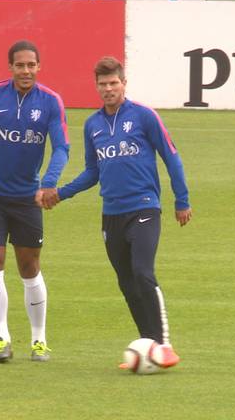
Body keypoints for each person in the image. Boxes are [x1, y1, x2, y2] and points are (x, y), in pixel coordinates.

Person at [41, 56, 191, 369]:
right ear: (96, 87)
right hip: (112, 214)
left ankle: (164, 344)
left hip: (145, 207)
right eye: (103, 84)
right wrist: (61, 194)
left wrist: (182, 199)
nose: (108, 89)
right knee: (126, 282)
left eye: (114, 83)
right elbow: (92, 172)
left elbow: (171, 156)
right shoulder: (93, 125)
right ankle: (147, 343)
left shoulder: (144, 116)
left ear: (124, 84)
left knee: (142, 272)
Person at [0, 40, 70, 363]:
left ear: (39, 67)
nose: (26, 70)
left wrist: (49, 184)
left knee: (29, 266)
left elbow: (62, 147)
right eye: (20, 65)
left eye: (31, 65)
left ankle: (39, 340)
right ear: (10, 67)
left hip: (27, 199)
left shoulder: (51, 102)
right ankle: (1, 339)